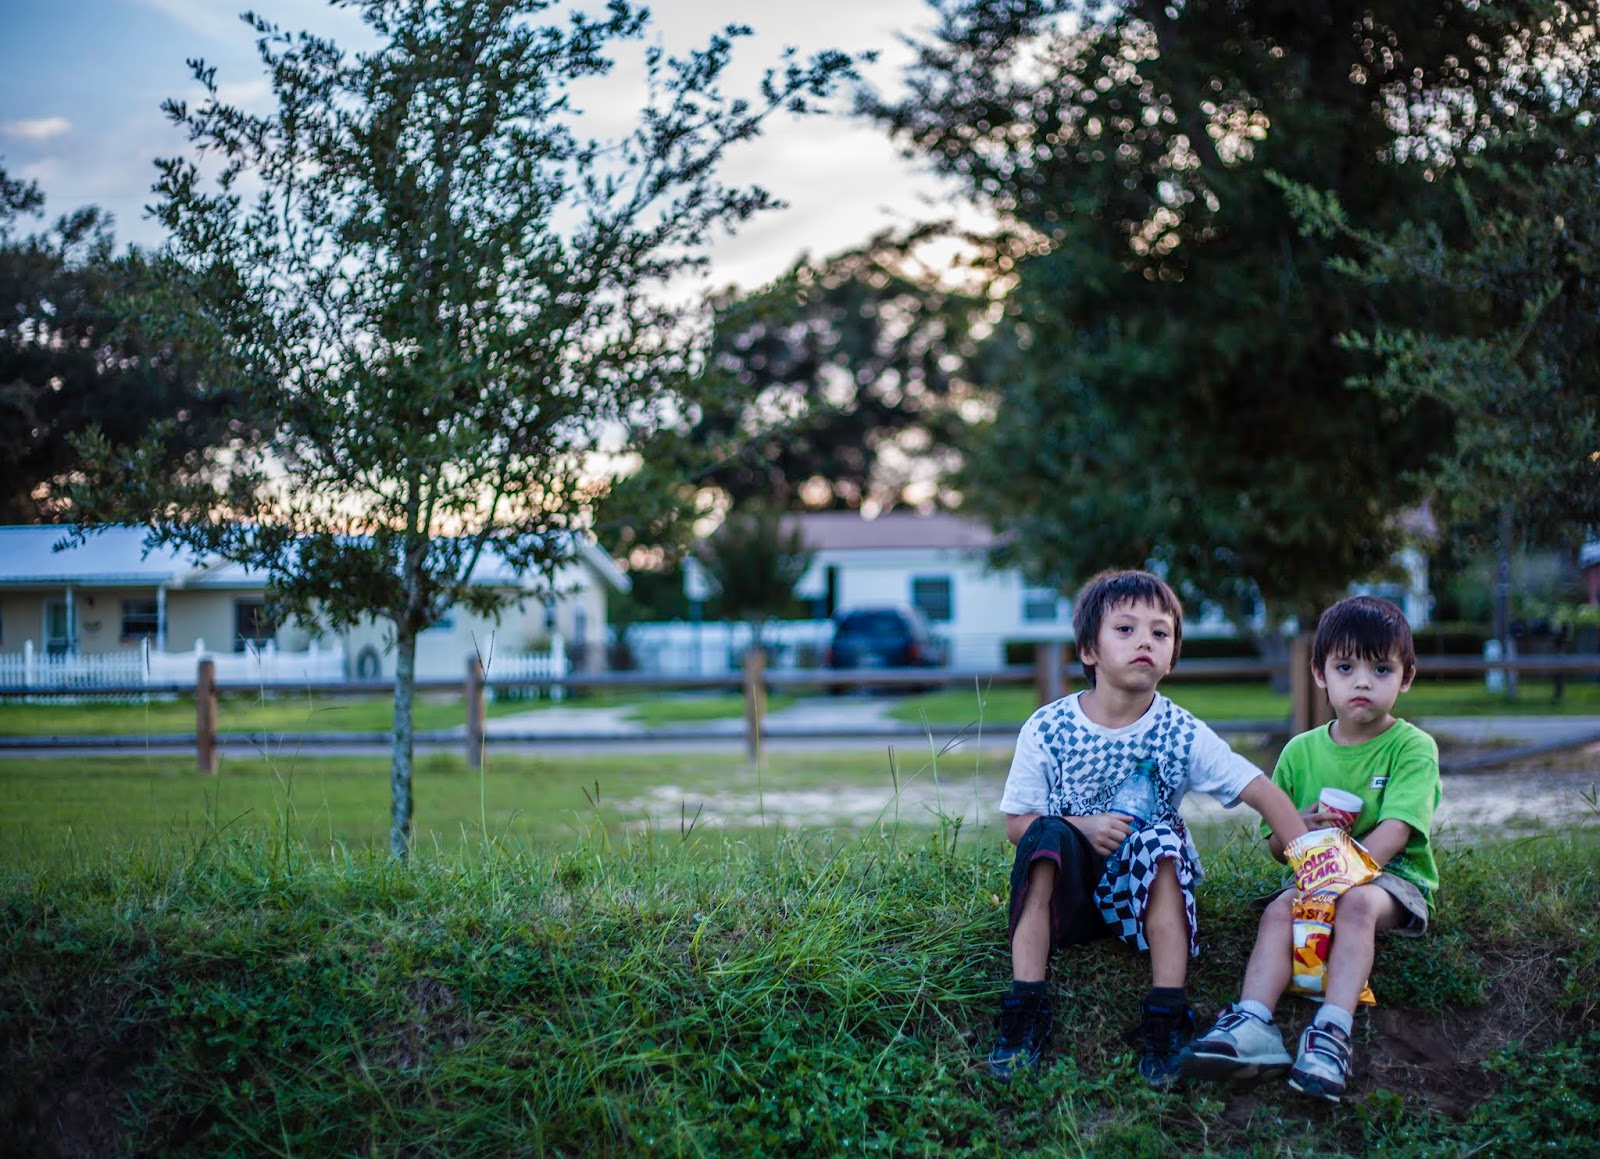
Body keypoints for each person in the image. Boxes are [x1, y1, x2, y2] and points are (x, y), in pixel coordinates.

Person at [987, 569, 1308, 1086]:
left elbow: (1261, 790)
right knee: (1045, 833)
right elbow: (1015, 825)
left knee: (1162, 838)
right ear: (1089, 650)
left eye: (1160, 633)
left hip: (1140, 906)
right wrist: (1083, 826)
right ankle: (1027, 1009)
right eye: (1126, 630)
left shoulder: (1180, 731)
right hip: (1065, 906)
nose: (1145, 642)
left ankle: (1166, 1013)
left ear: (1173, 654)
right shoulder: (1049, 727)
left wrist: (1313, 865)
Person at [1179, 595, 1441, 1103]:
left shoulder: (1412, 747)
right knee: (1280, 911)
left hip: (1391, 880)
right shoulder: (1300, 751)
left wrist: (1342, 876)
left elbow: (1396, 832)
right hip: (1315, 876)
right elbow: (1279, 846)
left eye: (1380, 669)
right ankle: (1253, 1022)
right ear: (1321, 674)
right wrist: (1299, 827)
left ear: (1406, 677)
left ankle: (1332, 1033)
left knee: (1357, 904)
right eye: (1346, 667)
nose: (1362, 682)